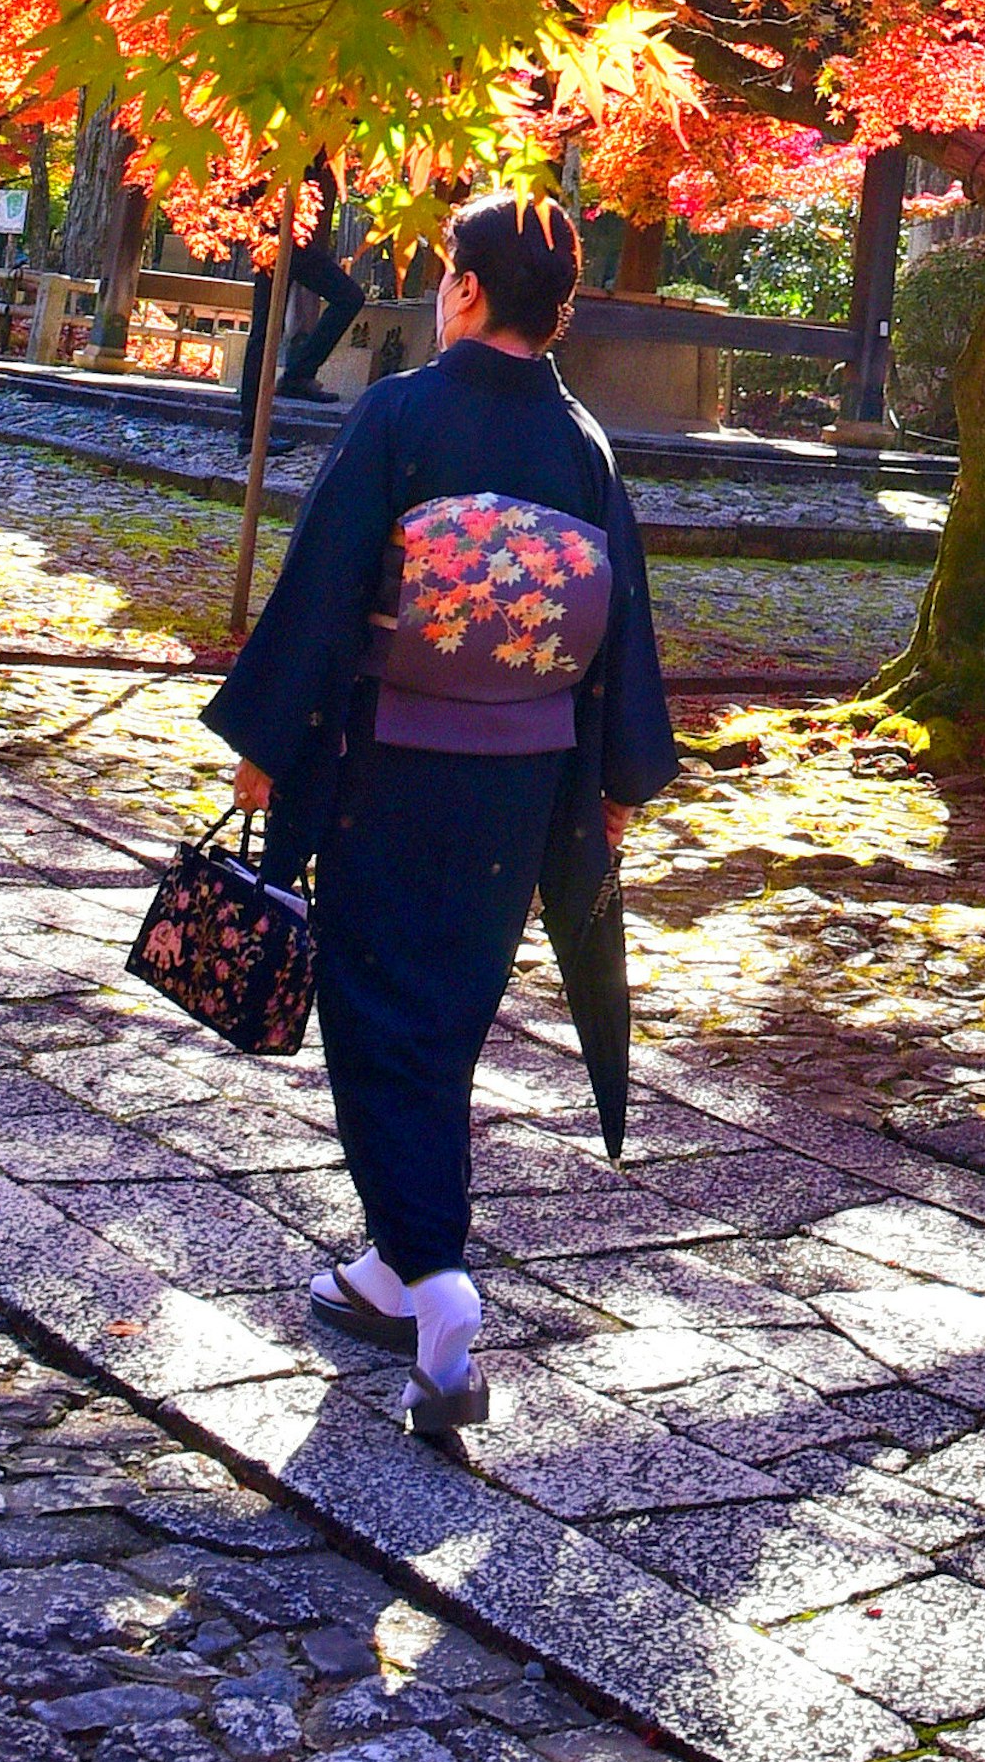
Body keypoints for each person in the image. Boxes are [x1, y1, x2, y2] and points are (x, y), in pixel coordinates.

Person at [207, 188, 677, 1448]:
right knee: (447, 1012)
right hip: (520, 781)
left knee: (373, 1014)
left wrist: (266, 746)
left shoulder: (402, 414)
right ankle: (383, 1265)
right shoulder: (583, 441)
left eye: (445, 272)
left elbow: (324, 585)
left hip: (391, 764)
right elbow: (618, 611)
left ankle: (437, 1285)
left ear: (468, 289)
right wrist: (620, 778)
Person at [234, 156, 367, 450]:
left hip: (292, 236)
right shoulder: (270, 132)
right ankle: (250, 430)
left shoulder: (316, 130)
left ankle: (298, 375)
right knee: (265, 330)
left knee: (348, 297)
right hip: (269, 234)